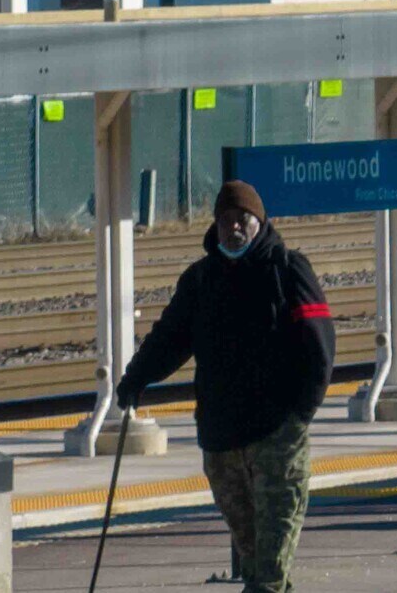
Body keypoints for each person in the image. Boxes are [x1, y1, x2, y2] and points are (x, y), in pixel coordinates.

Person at [116, 181, 333, 593]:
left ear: (260, 222)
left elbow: (319, 345)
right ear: (215, 225)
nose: (234, 228)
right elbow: (170, 337)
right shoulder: (200, 280)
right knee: (254, 563)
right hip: (221, 443)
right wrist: (136, 377)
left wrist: (298, 416)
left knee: (268, 571)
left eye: (243, 220)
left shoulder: (288, 270)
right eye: (226, 220)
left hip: (277, 441)